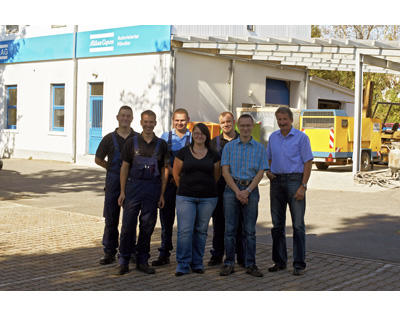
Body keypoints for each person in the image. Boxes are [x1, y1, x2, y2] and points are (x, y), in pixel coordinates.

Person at [116, 110, 169, 275]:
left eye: (151, 122)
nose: (148, 124)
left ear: (155, 123)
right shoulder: (131, 142)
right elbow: (124, 167)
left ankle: (142, 260)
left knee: (147, 227)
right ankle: (123, 260)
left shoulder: (161, 144)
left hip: (152, 190)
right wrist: (122, 191)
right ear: (141, 122)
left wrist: (161, 194)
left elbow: (164, 170)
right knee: (127, 227)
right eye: (145, 121)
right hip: (133, 189)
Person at [266, 106, 313, 276]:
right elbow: (269, 158)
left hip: (295, 182)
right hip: (276, 182)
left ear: (291, 120)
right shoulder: (273, 137)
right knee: (277, 225)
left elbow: (308, 162)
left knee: (298, 225)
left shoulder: (301, 138)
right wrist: (268, 170)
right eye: (279, 119)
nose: (282, 123)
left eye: (285, 119)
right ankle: (279, 261)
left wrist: (303, 186)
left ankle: (299, 264)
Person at [220, 114, 268, 278]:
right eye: (243, 126)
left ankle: (250, 264)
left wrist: (247, 191)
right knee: (230, 229)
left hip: (251, 190)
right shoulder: (229, 147)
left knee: (249, 231)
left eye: (249, 125)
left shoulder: (260, 148)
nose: (246, 128)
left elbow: (261, 172)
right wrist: (237, 191)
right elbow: (225, 172)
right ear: (238, 127)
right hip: (231, 189)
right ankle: (229, 263)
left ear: (252, 127)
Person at [173, 123, 220, 276]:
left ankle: (197, 263)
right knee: (185, 231)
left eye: (203, 133)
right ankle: (183, 263)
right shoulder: (183, 152)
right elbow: (176, 174)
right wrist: (186, 188)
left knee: (201, 231)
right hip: (186, 197)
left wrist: (205, 188)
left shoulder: (214, 155)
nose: (199, 136)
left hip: (207, 198)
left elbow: (216, 176)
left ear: (207, 136)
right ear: (192, 134)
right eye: (196, 133)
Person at [95, 105, 137, 265]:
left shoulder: (137, 138)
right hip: (113, 183)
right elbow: (98, 159)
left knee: (130, 219)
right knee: (111, 219)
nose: (125, 118)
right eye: (123, 115)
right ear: (117, 117)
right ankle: (109, 252)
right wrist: (112, 169)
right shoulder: (108, 139)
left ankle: (129, 250)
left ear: (132, 119)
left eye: (128, 116)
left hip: (132, 183)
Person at [152, 108, 192, 267]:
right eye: (177, 120)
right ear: (172, 120)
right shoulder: (164, 137)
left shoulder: (194, 137)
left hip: (186, 184)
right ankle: (164, 253)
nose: (180, 123)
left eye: (183, 120)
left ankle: (186, 256)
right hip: (168, 184)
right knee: (166, 221)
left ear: (188, 120)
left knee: (186, 223)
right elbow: (162, 164)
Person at [209, 111, 244, 267]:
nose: (226, 125)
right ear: (220, 124)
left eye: (228, 122)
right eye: (223, 123)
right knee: (219, 223)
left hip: (239, 186)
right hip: (219, 187)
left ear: (234, 122)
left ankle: (241, 256)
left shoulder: (243, 139)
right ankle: (217, 254)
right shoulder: (213, 143)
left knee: (239, 224)